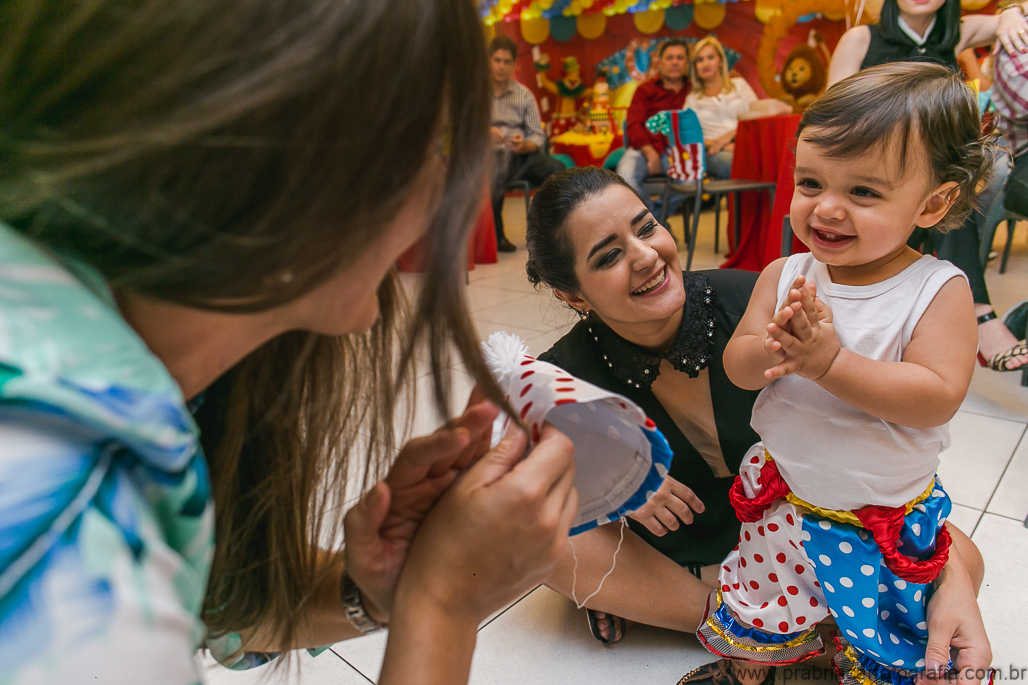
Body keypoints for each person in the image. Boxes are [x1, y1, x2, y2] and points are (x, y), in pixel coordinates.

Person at [0, 2, 578, 684]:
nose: (441, 192)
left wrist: (371, 590)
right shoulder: (63, 520)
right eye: (437, 145)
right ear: (303, 164)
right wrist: (442, 605)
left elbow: (220, 608)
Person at [523, 167, 992, 684]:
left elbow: (880, 445)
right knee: (544, 540)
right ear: (575, 296)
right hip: (683, 557)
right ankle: (734, 627)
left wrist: (951, 585)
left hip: (805, 531)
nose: (646, 255)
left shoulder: (764, 300)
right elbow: (518, 479)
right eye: (608, 256)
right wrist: (612, 485)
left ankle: (685, 613)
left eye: (647, 226)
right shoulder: (562, 375)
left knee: (957, 552)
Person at [697, 63, 990, 685]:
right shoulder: (785, 274)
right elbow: (739, 365)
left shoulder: (935, 290)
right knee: (770, 597)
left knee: (891, 627)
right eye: (810, 182)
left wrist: (831, 364)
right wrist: (774, 350)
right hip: (789, 501)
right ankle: (768, 655)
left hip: (879, 514)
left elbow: (935, 396)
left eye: (864, 192)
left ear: (933, 203)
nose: (825, 208)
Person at [828, 0, 1028, 372]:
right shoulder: (861, 38)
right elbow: (833, 116)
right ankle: (981, 317)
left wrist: (1013, 11)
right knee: (944, 196)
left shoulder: (955, 34)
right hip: (868, 169)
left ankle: (968, 315)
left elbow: (1008, 17)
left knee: (952, 191)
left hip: (926, 174)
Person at [489, 35, 565, 253]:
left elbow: (538, 136)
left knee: (558, 170)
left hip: (521, 156)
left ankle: (554, 234)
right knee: (495, 172)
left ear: (513, 65)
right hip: (490, 157)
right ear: (489, 61)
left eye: (506, 62)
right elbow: (465, 130)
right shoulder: (476, 94)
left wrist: (525, 146)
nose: (501, 66)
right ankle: (497, 236)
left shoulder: (524, 95)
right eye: (497, 60)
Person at [616, 38, 691, 219]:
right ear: (660, 62)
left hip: (678, 151)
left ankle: (655, 223)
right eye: (669, 58)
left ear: (687, 63)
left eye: (680, 58)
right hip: (643, 148)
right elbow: (633, 125)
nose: (674, 62)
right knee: (625, 178)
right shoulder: (645, 90)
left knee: (690, 180)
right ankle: (656, 227)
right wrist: (650, 153)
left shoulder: (694, 90)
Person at [683, 36, 757, 180]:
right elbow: (688, 138)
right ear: (695, 67)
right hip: (713, 152)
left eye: (710, 57)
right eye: (700, 59)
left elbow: (756, 119)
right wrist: (721, 145)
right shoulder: (692, 100)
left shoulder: (739, 85)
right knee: (735, 164)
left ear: (720, 61)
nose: (705, 63)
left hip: (747, 145)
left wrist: (730, 137)